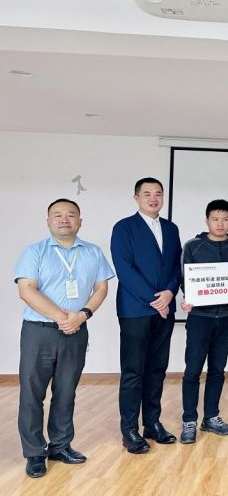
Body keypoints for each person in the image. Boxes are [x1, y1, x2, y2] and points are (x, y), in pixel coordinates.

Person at [15, 199, 114, 478]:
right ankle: (35, 453)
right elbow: (27, 290)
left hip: (76, 331)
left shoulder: (93, 252)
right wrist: (63, 317)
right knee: (32, 394)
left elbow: (101, 288)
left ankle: (60, 445)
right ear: (48, 221)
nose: (64, 219)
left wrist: (82, 315)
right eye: (57, 215)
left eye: (71, 215)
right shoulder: (34, 251)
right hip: (39, 332)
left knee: (66, 392)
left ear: (80, 221)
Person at [111, 177, 182, 454]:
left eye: (158, 194)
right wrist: (155, 300)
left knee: (157, 368)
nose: (153, 198)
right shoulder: (124, 227)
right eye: (147, 194)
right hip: (135, 309)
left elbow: (176, 266)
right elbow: (124, 269)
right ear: (136, 198)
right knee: (133, 371)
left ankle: (152, 423)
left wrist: (170, 292)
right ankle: (129, 429)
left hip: (165, 308)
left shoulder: (171, 228)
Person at [178, 199, 228, 444]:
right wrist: (188, 297)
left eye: (225, 219)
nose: (220, 224)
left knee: (217, 369)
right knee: (193, 370)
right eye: (215, 219)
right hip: (200, 317)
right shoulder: (193, 246)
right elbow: (185, 279)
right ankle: (189, 420)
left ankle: (211, 417)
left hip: (227, 317)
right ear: (207, 220)